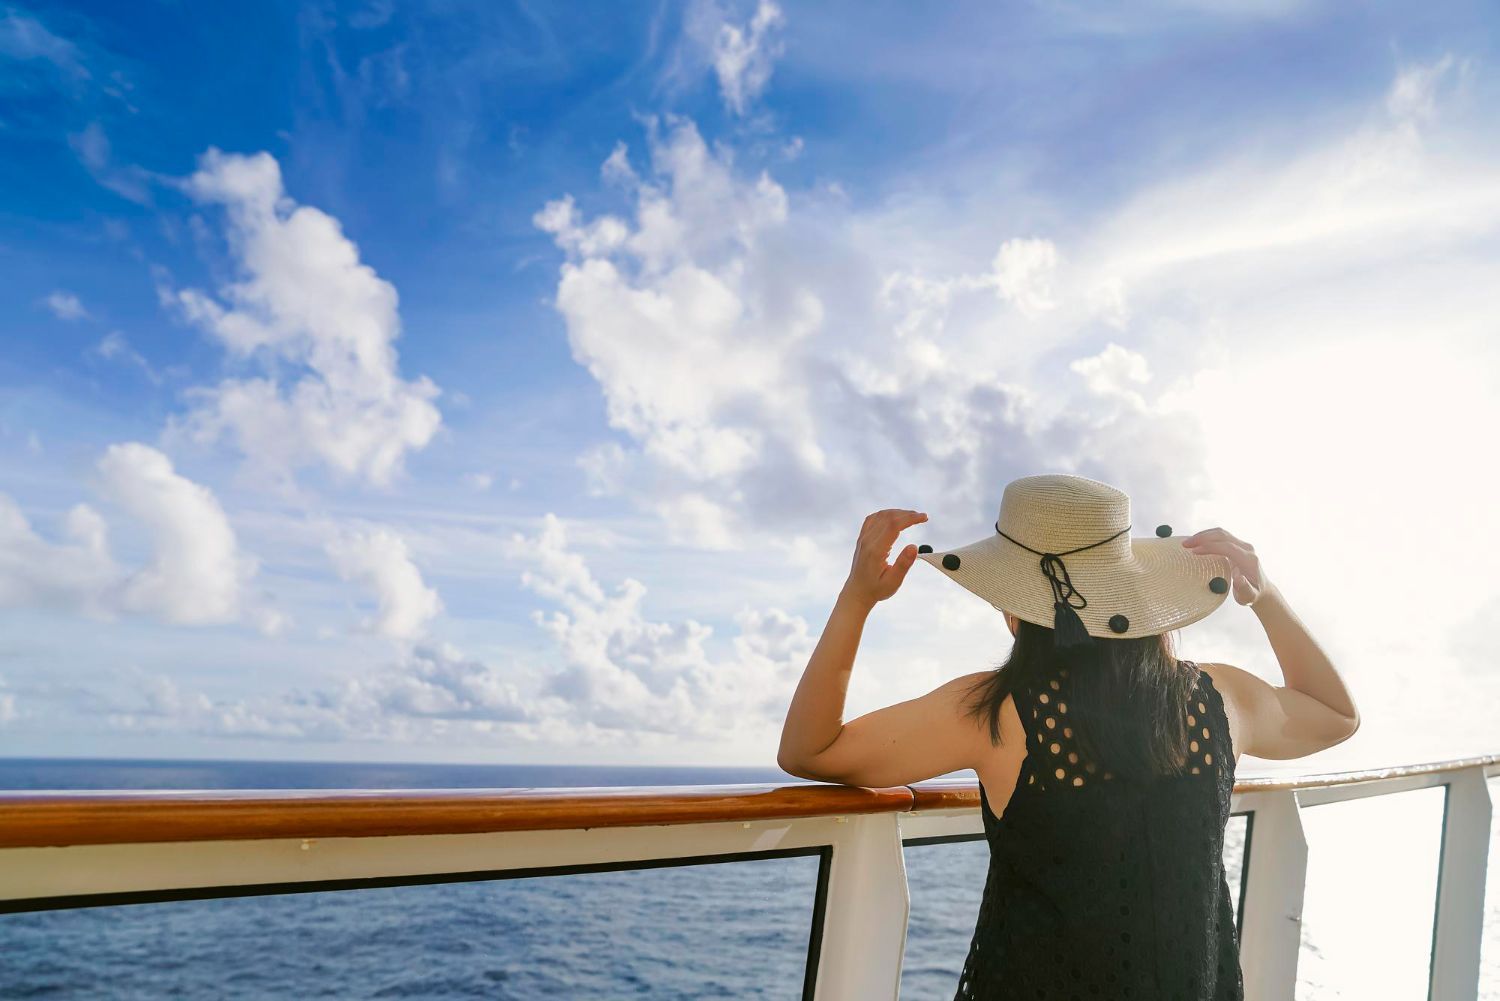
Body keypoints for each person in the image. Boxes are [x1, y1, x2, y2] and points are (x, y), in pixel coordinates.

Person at [777, 473, 1361, 1001]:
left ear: (1014, 606)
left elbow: (810, 750)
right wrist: (1269, 597)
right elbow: (1336, 714)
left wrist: (858, 597)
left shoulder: (995, 710)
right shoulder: (1223, 699)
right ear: (1139, 595)